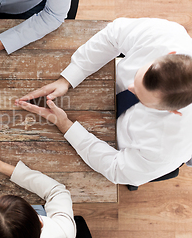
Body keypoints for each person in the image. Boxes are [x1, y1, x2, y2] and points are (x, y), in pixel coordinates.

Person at [16, 18, 192, 186]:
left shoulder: (168, 148)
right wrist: (69, 78)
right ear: (169, 54)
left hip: (116, 144)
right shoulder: (167, 35)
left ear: (174, 111)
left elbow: (116, 169)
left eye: (141, 97)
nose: (130, 87)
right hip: (99, 84)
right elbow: (113, 36)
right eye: (138, 76)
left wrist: (66, 126)